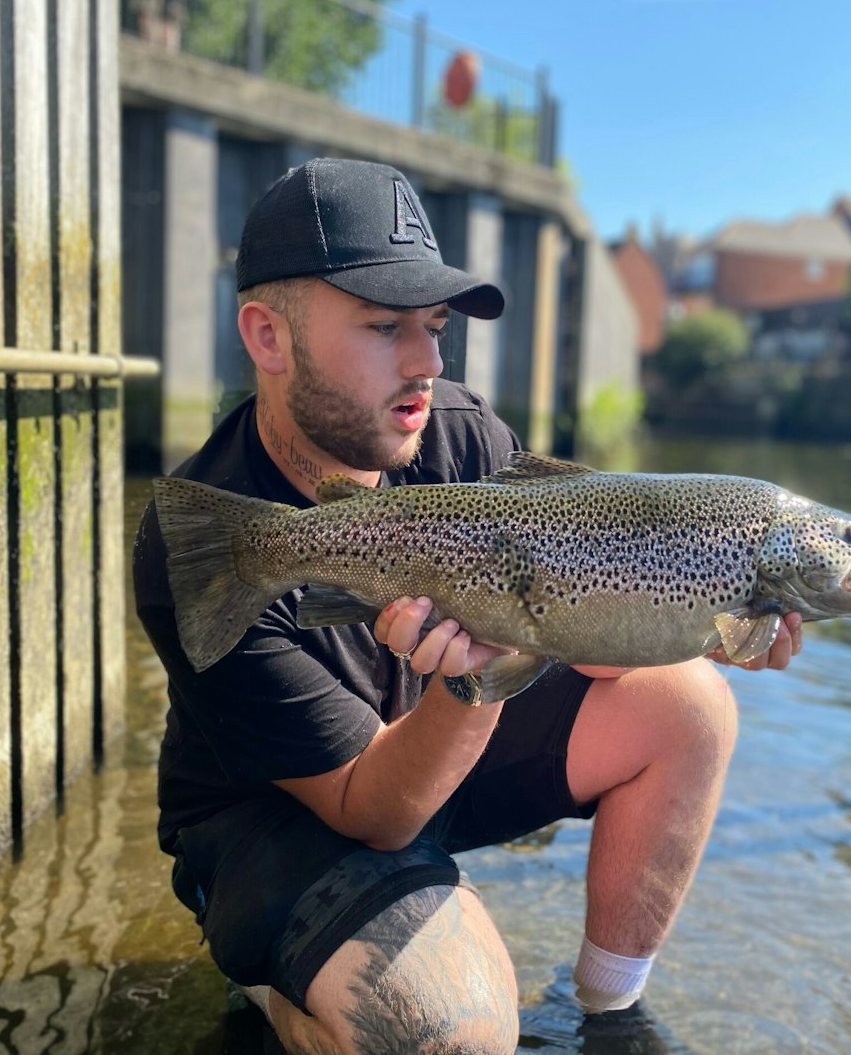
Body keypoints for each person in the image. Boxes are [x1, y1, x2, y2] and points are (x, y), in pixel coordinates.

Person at [133, 157, 804, 1054]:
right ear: (268, 336)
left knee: (690, 704)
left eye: (435, 326)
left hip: (433, 740)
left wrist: (691, 617)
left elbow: (594, 654)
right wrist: (470, 686)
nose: (427, 362)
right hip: (280, 812)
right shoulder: (212, 544)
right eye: (383, 327)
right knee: (449, 1033)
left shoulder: (458, 432)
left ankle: (611, 1018)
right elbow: (373, 811)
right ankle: (279, 980)